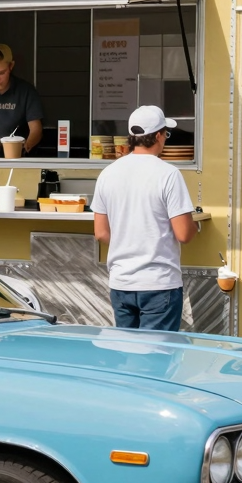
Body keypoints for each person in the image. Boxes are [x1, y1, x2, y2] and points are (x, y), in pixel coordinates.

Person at [91, 105, 197, 332]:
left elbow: (101, 233)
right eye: (166, 134)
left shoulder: (108, 173)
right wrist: (194, 224)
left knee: (130, 358)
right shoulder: (168, 174)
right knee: (156, 361)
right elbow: (184, 234)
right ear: (158, 136)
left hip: (121, 283)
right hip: (158, 283)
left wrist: (129, 241)